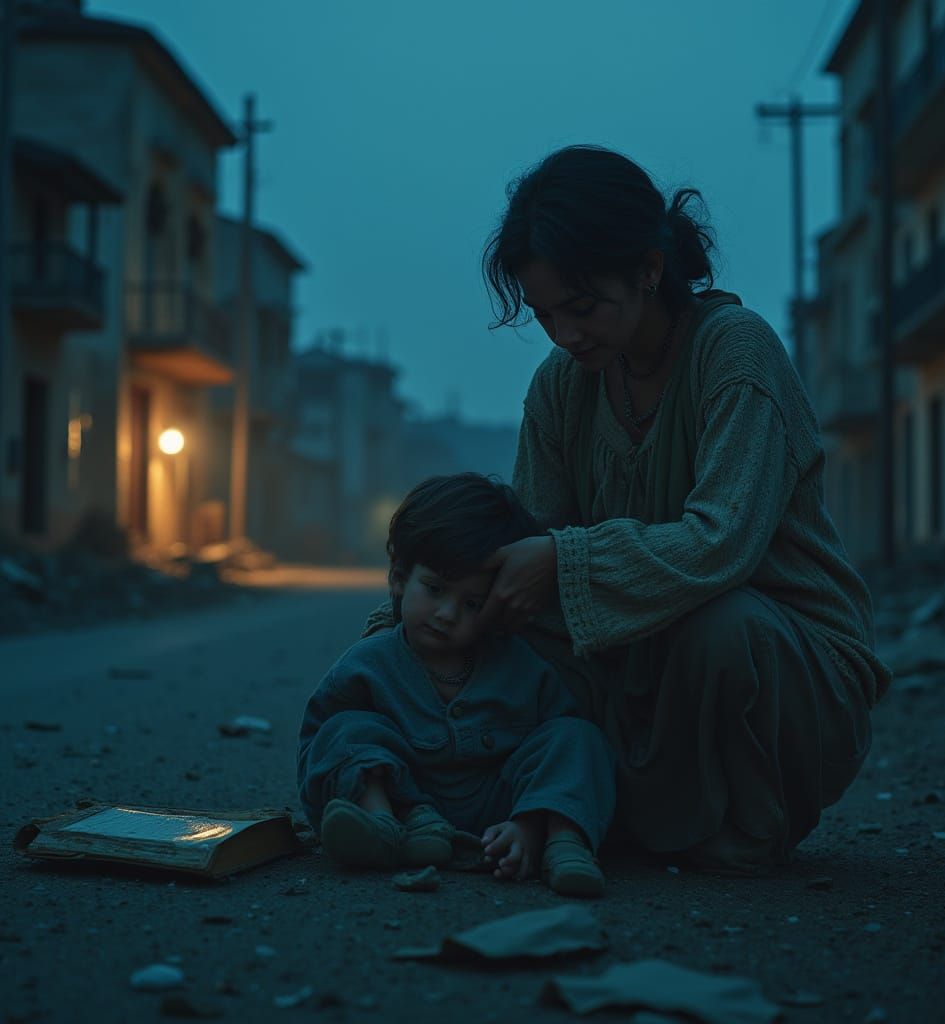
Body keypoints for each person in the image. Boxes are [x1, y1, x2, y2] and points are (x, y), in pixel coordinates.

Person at [368, 145, 892, 875]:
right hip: (639, 672)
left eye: (583, 308)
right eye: (546, 315)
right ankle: (419, 799)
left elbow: (722, 545)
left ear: (650, 269)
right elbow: (527, 544)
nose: (565, 334)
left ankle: (746, 830)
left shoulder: (736, 356)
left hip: (781, 674)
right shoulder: (563, 385)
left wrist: (564, 559)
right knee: (481, 635)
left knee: (722, 624)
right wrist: (419, 615)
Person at [297, 473, 616, 896]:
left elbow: (558, 743)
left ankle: (557, 843)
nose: (447, 614)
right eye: (434, 589)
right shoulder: (369, 661)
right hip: (406, 799)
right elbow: (319, 741)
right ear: (398, 579)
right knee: (346, 730)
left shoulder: (518, 662)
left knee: (577, 738)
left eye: (472, 603)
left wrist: (527, 820)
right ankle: (382, 827)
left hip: (498, 803)